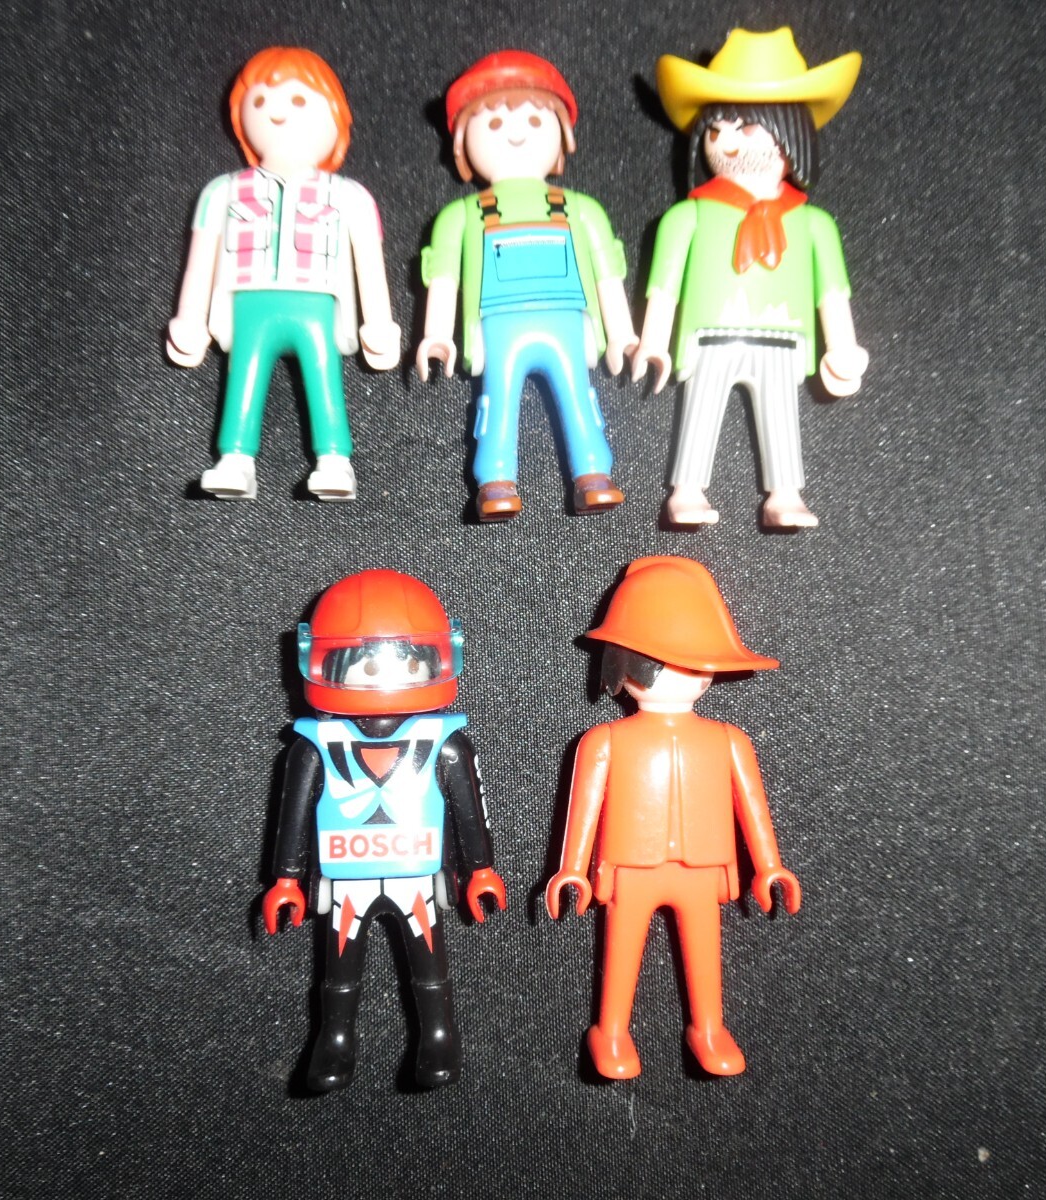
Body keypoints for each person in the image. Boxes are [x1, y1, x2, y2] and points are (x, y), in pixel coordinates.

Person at [546, 556, 803, 1079]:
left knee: (706, 954)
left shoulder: (729, 740)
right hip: (631, 866)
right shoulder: (604, 740)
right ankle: (611, 1031)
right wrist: (571, 868)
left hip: (704, 867)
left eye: (698, 663)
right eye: (668, 663)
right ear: (623, 665)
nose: (685, 676)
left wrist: (770, 865)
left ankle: (709, 1028)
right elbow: (584, 807)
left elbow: (753, 805)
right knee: (621, 951)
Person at [262, 570, 506, 1092]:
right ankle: (334, 1036)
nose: (387, 677)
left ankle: (438, 1034)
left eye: (410, 662)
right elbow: (293, 816)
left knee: (429, 961)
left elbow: (469, 809)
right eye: (367, 665)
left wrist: (481, 869)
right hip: (346, 877)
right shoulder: (314, 747)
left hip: (416, 873)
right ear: (326, 664)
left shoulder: (445, 743)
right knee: (340, 966)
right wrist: (286, 879)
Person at [634, 28, 869, 528]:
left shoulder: (813, 224)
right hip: (710, 335)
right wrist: (653, 342)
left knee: (782, 415)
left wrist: (842, 348)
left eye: (745, 127)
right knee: (700, 409)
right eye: (716, 129)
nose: (727, 141)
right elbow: (664, 287)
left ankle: (785, 495)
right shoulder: (688, 217)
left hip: (782, 336)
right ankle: (686, 490)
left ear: (791, 133)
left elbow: (832, 294)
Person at [167, 47, 401, 503]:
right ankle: (235, 459)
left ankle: (334, 460)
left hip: (318, 303)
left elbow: (369, 263)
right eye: (260, 101)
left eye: (298, 100)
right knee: (244, 376)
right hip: (247, 302)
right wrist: (190, 317)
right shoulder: (222, 191)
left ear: (336, 117)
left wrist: (379, 322)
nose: (276, 111)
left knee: (324, 376)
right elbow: (200, 260)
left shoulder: (349, 195)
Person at [418, 51, 637, 521]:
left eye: (535, 119)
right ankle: (495, 480)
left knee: (578, 395)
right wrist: (436, 335)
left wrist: (623, 335)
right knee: (497, 399)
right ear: (462, 143)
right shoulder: (460, 216)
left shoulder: (582, 209)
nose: (515, 133)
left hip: (567, 319)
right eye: (494, 124)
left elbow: (608, 275)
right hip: (498, 323)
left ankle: (594, 473)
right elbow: (443, 277)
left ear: (562, 134)